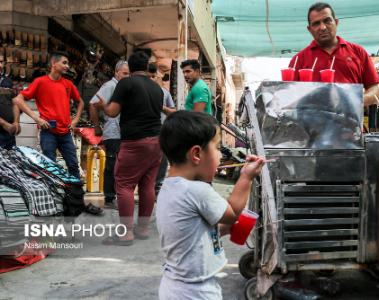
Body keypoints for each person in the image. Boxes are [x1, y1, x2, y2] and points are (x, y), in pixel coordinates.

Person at [156, 110, 265, 299]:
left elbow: (191, 231)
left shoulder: (170, 187)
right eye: (217, 148)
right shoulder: (197, 190)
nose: (221, 157)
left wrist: (223, 229)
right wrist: (247, 176)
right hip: (195, 291)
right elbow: (232, 214)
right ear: (196, 153)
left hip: (175, 286)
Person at [95, 51, 167, 245]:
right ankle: (142, 229)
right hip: (156, 141)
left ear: (131, 68)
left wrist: (103, 105)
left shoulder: (125, 83)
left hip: (134, 142)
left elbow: (112, 112)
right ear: (146, 67)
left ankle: (125, 233)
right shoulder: (157, 88)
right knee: (147, 185)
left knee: (124, 185)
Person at [289, 2, 379, 106]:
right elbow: (290, 96)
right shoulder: (299, 59)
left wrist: (356, 100)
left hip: (350, 120)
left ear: (336, 22)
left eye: (327, 21)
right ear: (309, 29)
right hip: (312, 121)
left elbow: (375, 89)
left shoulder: (358, 52)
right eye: (316, 23)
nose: (323, 27)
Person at [13, 51, 84, 178]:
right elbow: (18, 99)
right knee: (50, 166)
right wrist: (36, 118)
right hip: (48, 132)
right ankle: (53, 196)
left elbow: (81, 102)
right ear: (53, 63)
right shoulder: (40, 82)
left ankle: (75, 196)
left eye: (67, 63)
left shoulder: (68, 84)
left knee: (73, 165)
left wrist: (75, 120)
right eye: (64, 63)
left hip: (66, 133)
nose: (67, 66)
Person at [89, 60, 130, 208]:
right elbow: (93, 104)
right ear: (116, 72)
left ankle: (117, 196)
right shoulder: (110, 86)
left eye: (129, 74)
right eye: (124, 73)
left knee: (121, 166)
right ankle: (109, 197)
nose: (127, 76)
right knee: (112, 165)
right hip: (112, 132)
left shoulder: (123, 87)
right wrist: (96, 126)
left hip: (122, 132)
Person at [148, 62, 176, 195]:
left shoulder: (165, 93)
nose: (152, 79)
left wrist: (163, 107)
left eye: (154, 76)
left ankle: (158, 187)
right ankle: (146, 187)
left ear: (159, 77)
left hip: (161, 131)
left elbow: (173, 111)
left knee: (162, 160)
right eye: (149, 77)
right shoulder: (141, 91)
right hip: (145, 131)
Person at [0, 59, 20, 149]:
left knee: (11, 160)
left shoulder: (8, 81)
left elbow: (15, 103)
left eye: (1, 62)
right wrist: (4, 124)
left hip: (9, 133)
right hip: (5, 127)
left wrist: (16, 122)